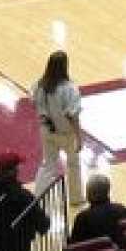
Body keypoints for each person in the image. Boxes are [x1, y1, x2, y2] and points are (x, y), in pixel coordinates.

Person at [31, 51, 84, 204]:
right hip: (66, 133)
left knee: (48, 164)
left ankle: (38, 198)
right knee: (73, 164)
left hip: (46, 130)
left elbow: (32, 101)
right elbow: (72, 115)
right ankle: (76, 197)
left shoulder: (39, 85)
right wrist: (79, 137)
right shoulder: (69, 89)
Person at [69, 175, 126, 246]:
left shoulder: (82, 218)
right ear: (107, 192)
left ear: (90, 194)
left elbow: (75, 246)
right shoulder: (121, 209)